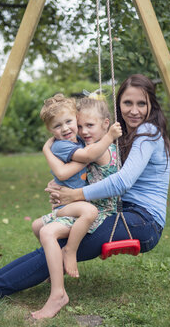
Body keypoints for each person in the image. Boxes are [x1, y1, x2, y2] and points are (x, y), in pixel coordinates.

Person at [0, 74, 170, 320]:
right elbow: (96, 170)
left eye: (141, 104)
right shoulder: (122, 132)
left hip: (143, 221)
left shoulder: (147, 131)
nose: (134, 111)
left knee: (58, 245)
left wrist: (75, 195)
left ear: (151, 105)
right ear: (118, 106)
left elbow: (122, 181)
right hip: (125, 211)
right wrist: (63, 186)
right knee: (48, 233)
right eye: (127, 103)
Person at [30, 95, 121, 319]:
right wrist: (108, 137)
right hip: (73, 203)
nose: (68, 128)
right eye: (57, 126)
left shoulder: (80, 141)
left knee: (38, 226)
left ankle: (56, 268)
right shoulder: (63, 146)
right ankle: (67, 256)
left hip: (73, 200)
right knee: (85, 213)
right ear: (50, 130)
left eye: (72, 122)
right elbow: (84, 159)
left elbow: (84, 159)